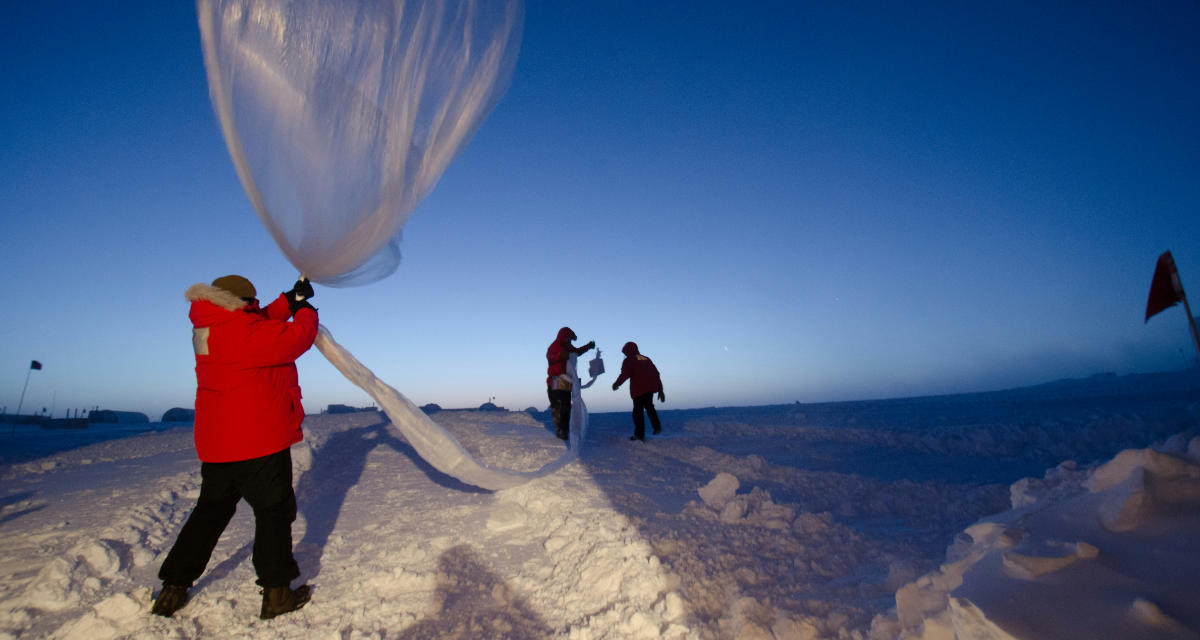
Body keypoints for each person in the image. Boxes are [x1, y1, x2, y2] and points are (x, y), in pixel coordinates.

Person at [151, 275, 318, 620]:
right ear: (241, 302)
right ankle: (277, 594)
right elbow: (297, 338)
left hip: (218, 445)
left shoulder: (209, 327)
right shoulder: (248, 333)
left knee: (208, 515)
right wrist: (304, 311)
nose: (254, 307)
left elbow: (255, 324)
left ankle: (173, 588)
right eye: (251, 302)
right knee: (273, 515)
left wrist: (287, 300)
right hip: (259, 442)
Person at [545, 327, 594, 441]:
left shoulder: (568, 347)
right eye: (568, 339)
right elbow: (551, 357)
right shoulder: (555, 346)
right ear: (563, 337)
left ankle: (565, 431)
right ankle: (561, 432)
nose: (570, 341)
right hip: (555, 381)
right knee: (558, 407)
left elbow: (576, 353)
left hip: (566, 381)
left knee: (566, 406)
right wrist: (562, 355)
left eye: (571, 339)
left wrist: (587, 346)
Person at [611, 341, 665, 441]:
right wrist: (660, 390)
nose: (625, 355)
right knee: (649, 407)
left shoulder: (629, 360)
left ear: (628, 351)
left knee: (638, 411)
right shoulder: (646, 359)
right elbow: (656, 374)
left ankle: (639, 435)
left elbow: (625, 374)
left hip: (639, 388)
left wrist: (616, 384)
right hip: (651, 388)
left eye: (625, 353)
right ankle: (657, 427)